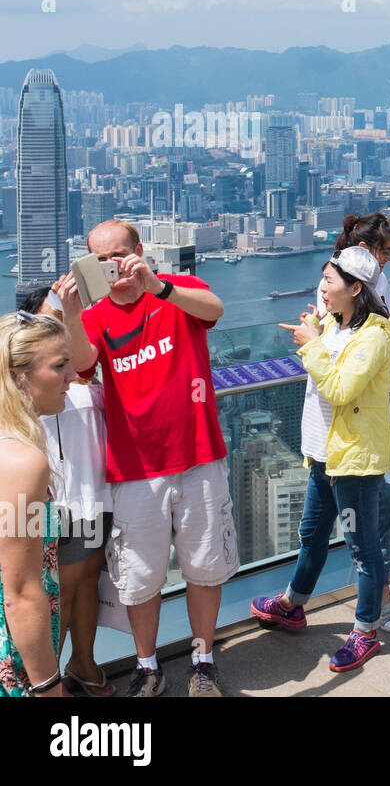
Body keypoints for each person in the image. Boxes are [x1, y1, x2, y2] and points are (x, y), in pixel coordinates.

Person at [56, 219, 235, 698]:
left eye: (120, 254)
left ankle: (204, 660)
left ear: (139, 250)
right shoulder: (95, 318)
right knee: (140, 577)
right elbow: (79, 366)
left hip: (198, 455)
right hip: (133, 467)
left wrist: (157, 285)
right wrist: (72, 314)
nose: (114, 266)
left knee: (204, 567)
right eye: (102, 259)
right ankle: (146, 665)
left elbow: (214, 307)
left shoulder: (178, 292)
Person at [253, 247, 390, 673]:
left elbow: (339, 389)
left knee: (363, 549)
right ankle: (292, 604)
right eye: (322, 279)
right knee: (312, 534)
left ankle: (366, 631)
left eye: (330, 282)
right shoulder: (336, 325)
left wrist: (313, 346)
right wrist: (318, 331)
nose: (321, 287)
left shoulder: (373, 335)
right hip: (323, 455)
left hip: (353, 462)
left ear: (356, 289)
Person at [321, 213, 390, 628]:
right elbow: (350, 346)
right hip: (367, 403)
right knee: (376, 497)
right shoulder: (336, 286)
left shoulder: (373, 279)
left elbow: (381, 329)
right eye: (384, 251)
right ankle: (378, 598)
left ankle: (384, 579)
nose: (388, 259)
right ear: (364, 250)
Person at [21, 288, 114, 696]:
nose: (60, 322)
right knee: (56, 589)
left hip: (93, 495)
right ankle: (49, 678)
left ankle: (82, 660)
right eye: (51, 316)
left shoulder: (83, 374)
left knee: (87, 580)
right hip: (52, 505)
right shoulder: (26, 387)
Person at [0, 311, 77, 696]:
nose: (73, 377)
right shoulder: (22, 463)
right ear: (19, 377)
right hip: (13, 659)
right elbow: (22, 592)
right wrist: (49, 686)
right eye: (60, 366)